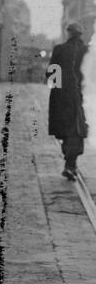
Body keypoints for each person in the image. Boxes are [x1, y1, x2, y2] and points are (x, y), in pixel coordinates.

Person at [48, 23, 88, 181]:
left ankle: (70, 163)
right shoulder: (87, 51)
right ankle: (70, 165)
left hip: (61, 97)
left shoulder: (59, 49)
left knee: (67, 130)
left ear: (68, 33)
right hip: (79, 97)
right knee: (76, 130)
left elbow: (51, 74)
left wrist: (58, 91)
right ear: (81, 34)